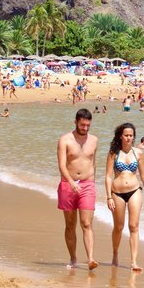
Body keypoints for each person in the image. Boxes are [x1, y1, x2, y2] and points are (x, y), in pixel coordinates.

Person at [105, 122, 144, 273]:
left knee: (134, 226)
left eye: (131, 136)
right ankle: (115, 254)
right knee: (118, 227)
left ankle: (133, 261)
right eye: (126, 135)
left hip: (134, 191)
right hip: (117, 193)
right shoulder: (114, 153)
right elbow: (107, 176)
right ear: (120, 136)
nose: (128, 138)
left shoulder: (138, 153)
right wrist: (108, 197)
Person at [57, 108, 99, 270]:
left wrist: (91, 180)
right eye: (82, 125)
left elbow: (92, 162)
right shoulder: (65, 140)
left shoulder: (94, 140)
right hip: (68, 184)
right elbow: (61, 164)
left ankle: (90, 259)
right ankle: (73, 258)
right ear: (75, 122)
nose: (85, 128)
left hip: (87, 184)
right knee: (70, 225)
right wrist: (71, 182)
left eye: (88, 125)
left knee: (86, 223)